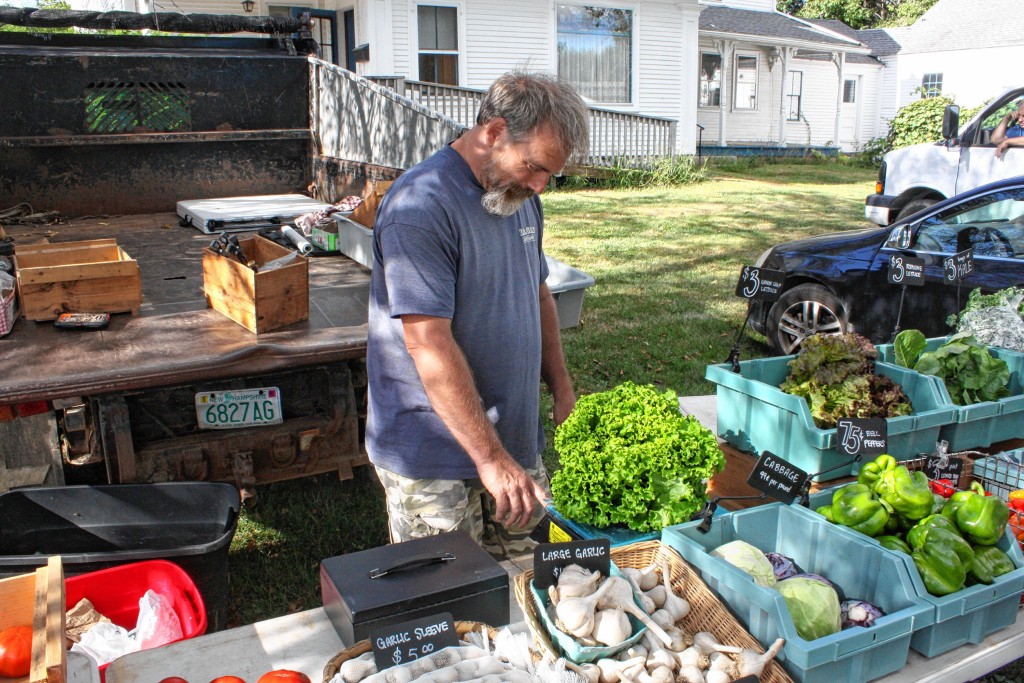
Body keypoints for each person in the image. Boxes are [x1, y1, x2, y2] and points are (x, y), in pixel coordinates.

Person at [365, 71, 590, 559]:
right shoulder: (421, 205)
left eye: (550, 173)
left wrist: (563, 388)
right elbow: (427, 343)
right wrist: (490, 460)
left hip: (511, 439)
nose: (540, 185)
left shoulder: (520, 197)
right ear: (493, 133)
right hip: (434, 455)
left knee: (535, 585)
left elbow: (538, 296)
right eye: (534, 166)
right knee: (452, 604)